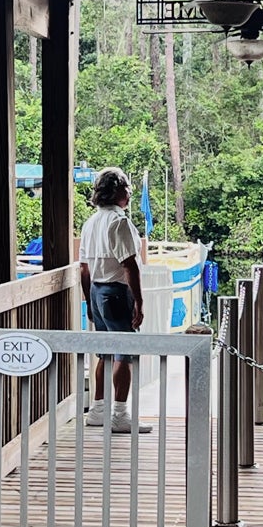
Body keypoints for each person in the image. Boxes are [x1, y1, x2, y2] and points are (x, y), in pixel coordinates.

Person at [78, 167, 150, 434]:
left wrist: (89, 301)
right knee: (124, 352)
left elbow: (84, 268)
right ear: (118, 190)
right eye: (127, 187)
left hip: (96, 291)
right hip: (117, 292)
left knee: (105, 351)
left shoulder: (91, 222)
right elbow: (130, 265)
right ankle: (120, 414)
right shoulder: (119, 222)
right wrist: (139, 302)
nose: (130, 192)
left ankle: (98, 410)